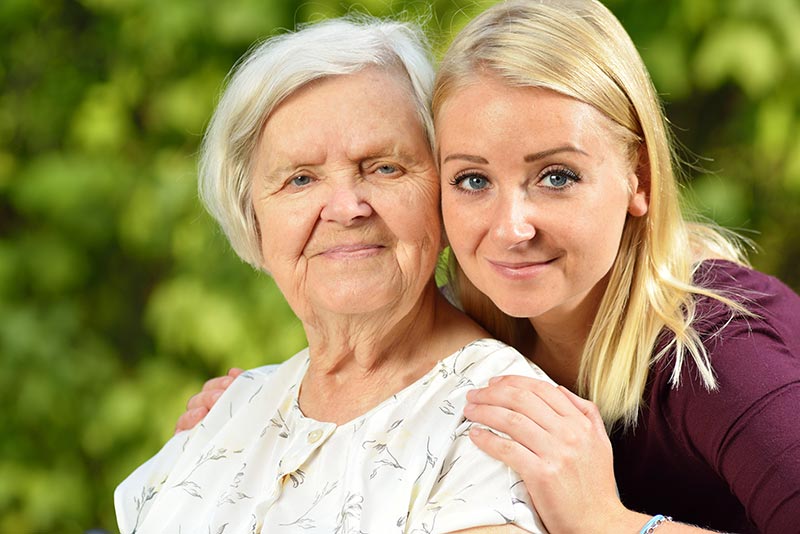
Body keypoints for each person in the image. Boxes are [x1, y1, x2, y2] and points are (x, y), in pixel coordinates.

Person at [178, 1, 800, 533]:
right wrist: (262, 413)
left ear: (638, 179)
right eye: (473, 179)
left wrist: (609, 522)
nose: (510, 227)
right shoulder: (490, 312)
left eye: (557, 176)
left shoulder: (723, 355)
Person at [114, 16, 551, 534]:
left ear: (446, 192)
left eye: (384, 167)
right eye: (301, 179)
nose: (346, 207)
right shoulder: (231, 409)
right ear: (251, 216)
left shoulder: (500, 415)